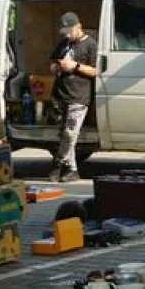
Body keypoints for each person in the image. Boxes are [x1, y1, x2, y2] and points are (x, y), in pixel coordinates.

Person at [48, 12, 98, 183]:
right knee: (64, 135)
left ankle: (57, 163)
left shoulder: (90, 44)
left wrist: (75, 66)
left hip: (79, 96)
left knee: (70, 134)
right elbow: (52, 63)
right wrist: (56, 67)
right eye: (65, 32)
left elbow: (95, 70)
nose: (67, 35)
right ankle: (71, 170)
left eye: (70, 31)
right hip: (61, 94)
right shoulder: (63, 44)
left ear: (78, 26)